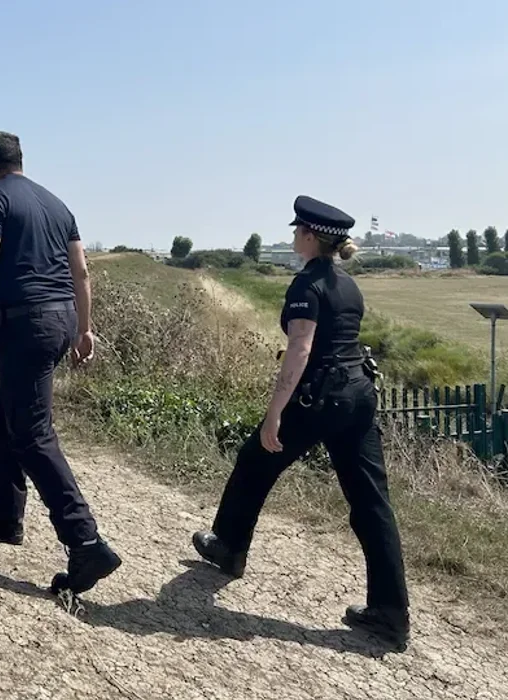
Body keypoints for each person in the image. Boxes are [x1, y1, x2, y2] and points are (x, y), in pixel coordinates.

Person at [190, 195, 411, 649]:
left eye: (297, 232)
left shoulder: (306, 285)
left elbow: (301, 351)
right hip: (359, 394)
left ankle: (229, 547)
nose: (293, 237)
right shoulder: (349, 284)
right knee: (371, 503)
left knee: (256, 457)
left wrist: (274, 414)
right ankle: (391, 612)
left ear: (310, 237)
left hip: (320, 397)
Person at [0, 131, 122, 598]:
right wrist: (85, 327)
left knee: (33, 432)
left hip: (27, 324)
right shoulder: (56, 204)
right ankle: (4, 515)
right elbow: (80, 270)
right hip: (62, 319)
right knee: (8, 410)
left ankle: (85, 541)